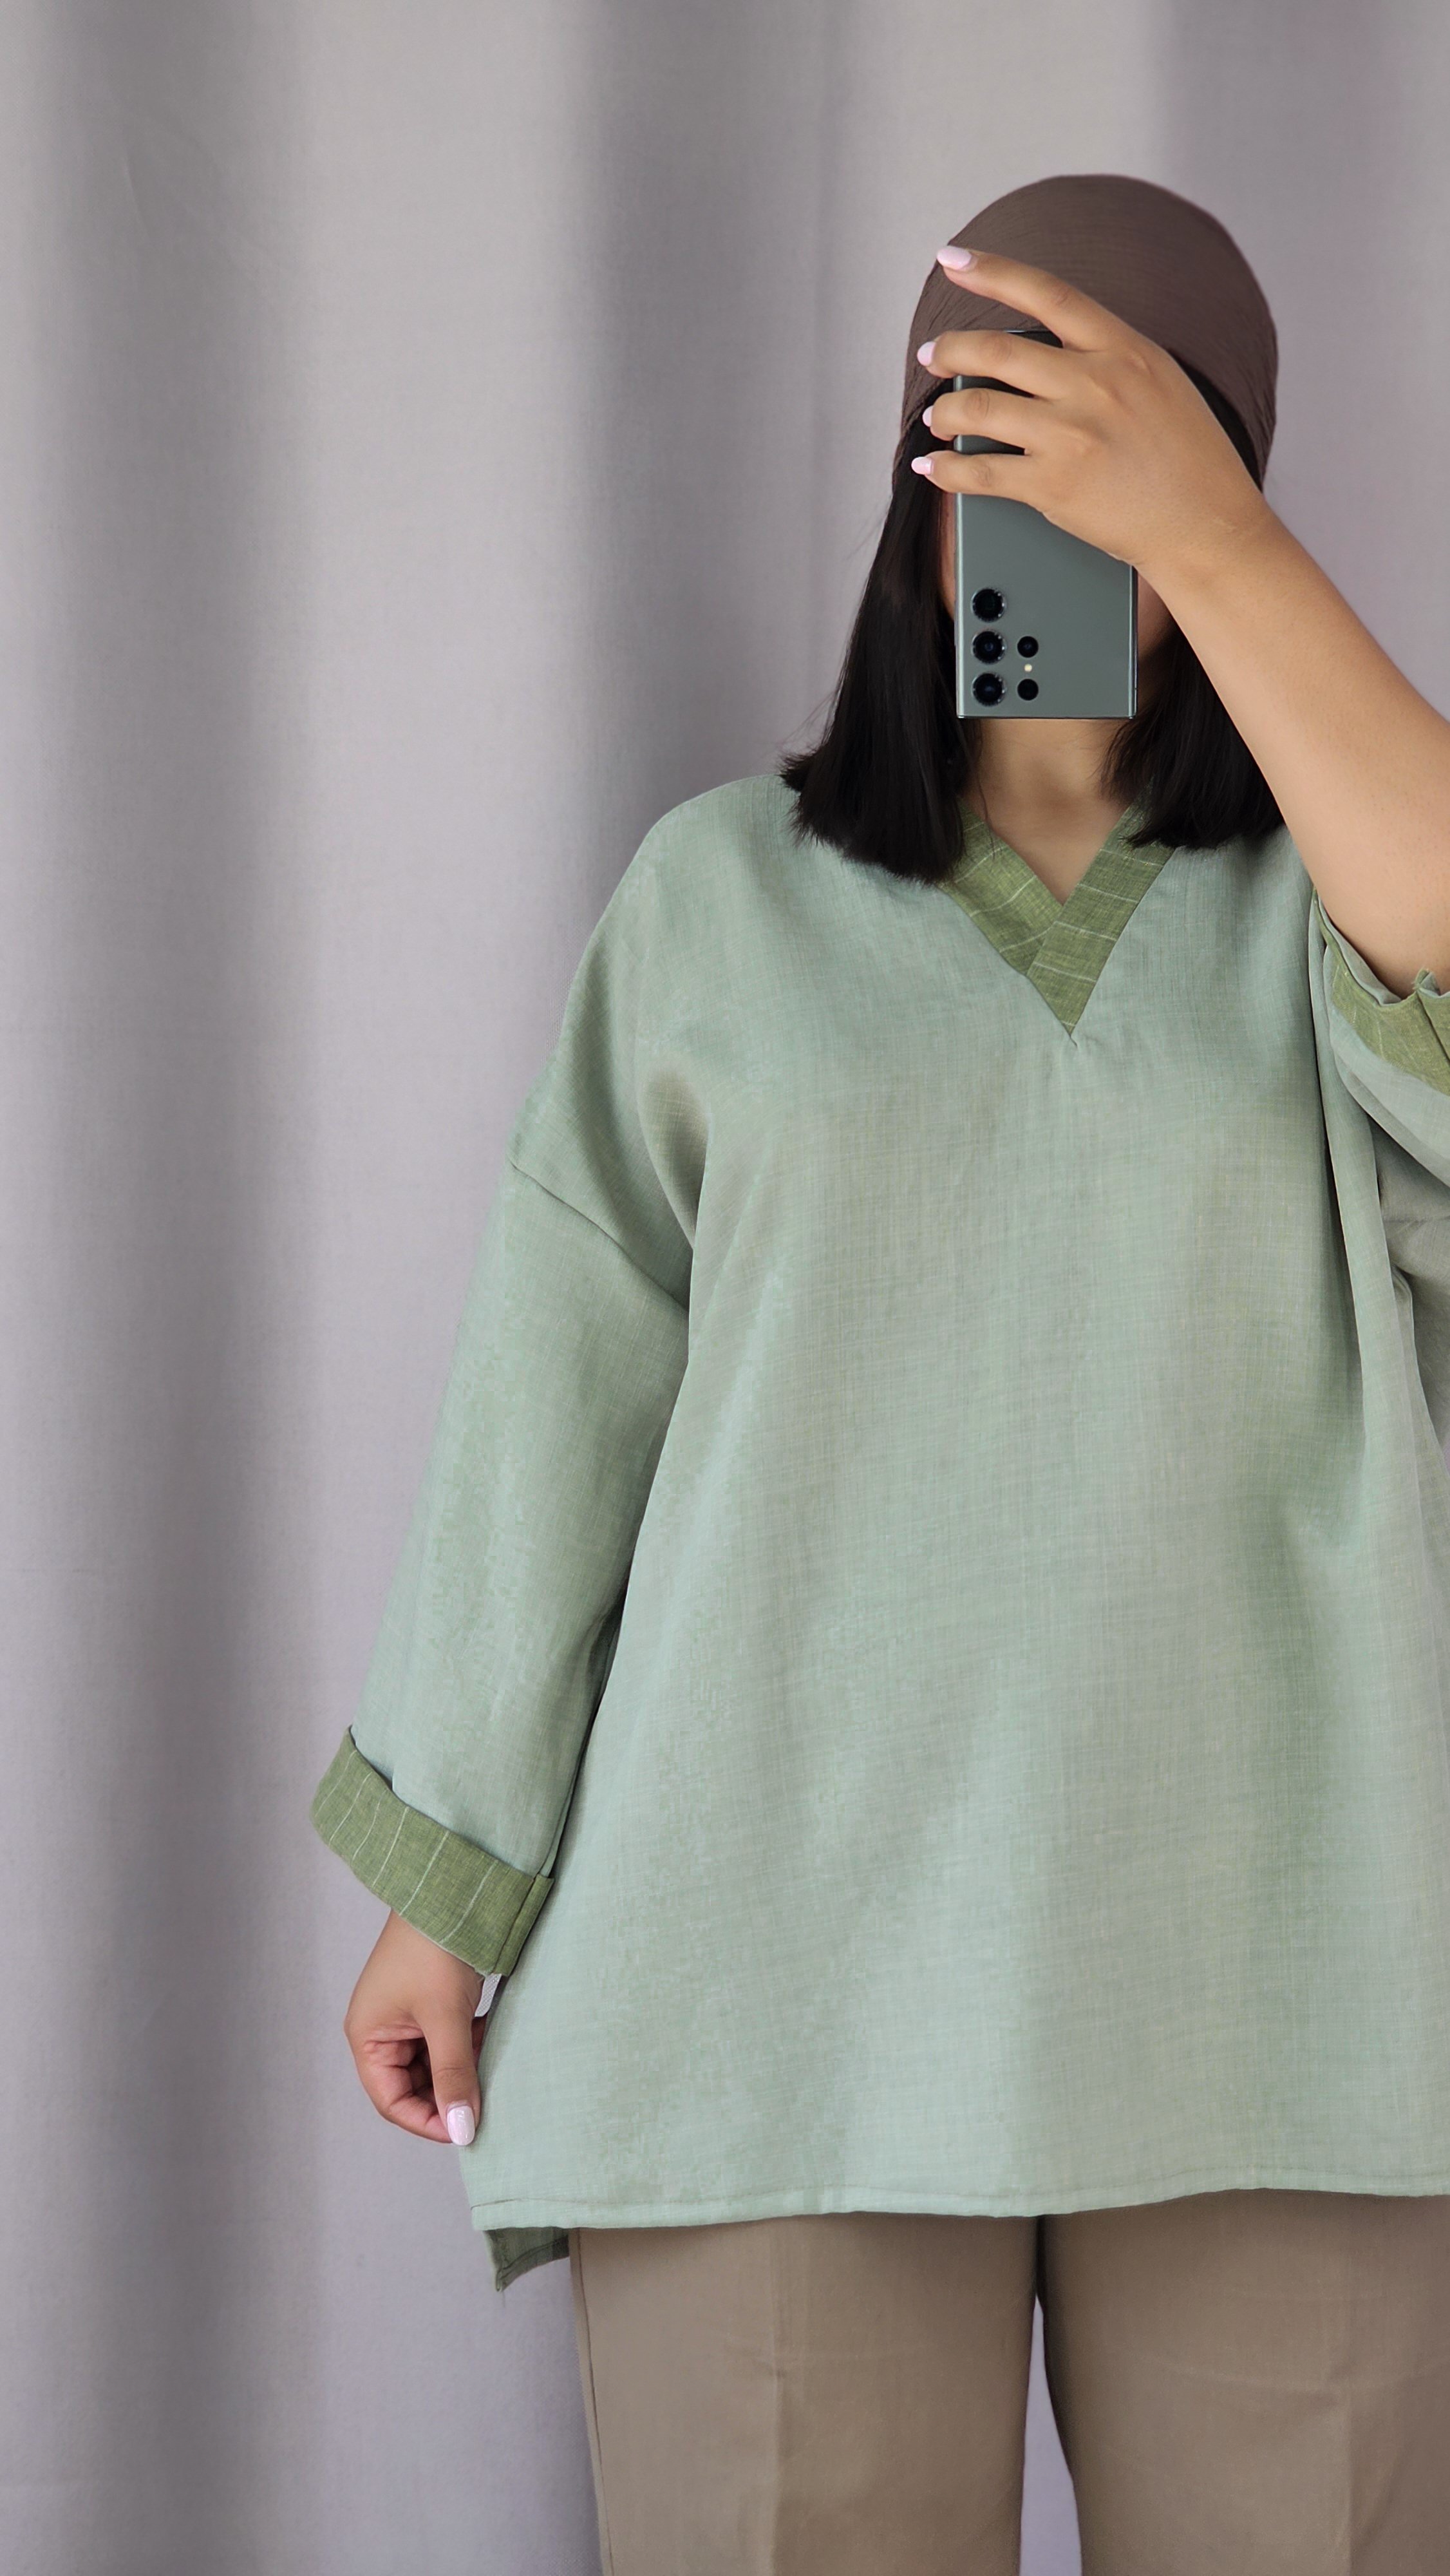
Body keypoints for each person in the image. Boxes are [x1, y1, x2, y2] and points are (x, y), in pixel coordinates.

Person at [309, 173, 1450, 2571]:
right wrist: (448, 1880)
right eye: (994, 444)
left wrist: (1204, 542)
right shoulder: (718, 898)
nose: (1052, 511)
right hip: (765, 1952)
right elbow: (557, 1397)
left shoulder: (1342, 916)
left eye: (1125, 452)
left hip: (1289, 1956)